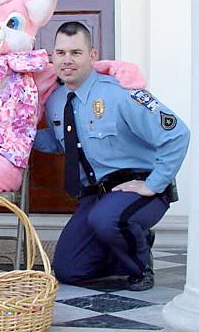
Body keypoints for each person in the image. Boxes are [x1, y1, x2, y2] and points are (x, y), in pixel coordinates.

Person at [34, 21, 190, 291]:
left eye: (76, 53)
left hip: (139, 188)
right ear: (52, 56)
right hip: (96, 195)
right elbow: (62, 144)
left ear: (92, 56)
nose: (67, 60)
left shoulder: (120, 93)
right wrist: (15, 135)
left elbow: (177, 133)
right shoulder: (56, 100)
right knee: (69, 269)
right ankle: (124, 244)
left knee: (106, 220)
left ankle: (140, 266)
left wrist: (153, 184)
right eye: (60, 53)